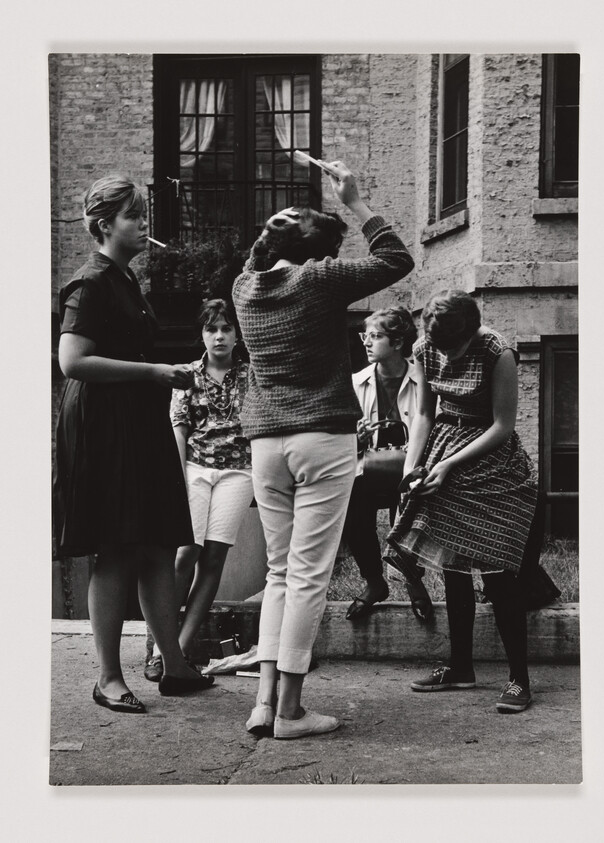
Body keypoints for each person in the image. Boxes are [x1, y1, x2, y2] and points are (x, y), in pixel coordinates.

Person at [232, 161, 415, 740]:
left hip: (266, 443)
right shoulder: (319, 281)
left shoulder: (244, 288)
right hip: (322, 439)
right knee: (309, 576)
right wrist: (355, 201)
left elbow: (257, 258)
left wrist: (272, 231)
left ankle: (262, 704)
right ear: (319, 255)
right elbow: (397, 260)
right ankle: (290, 712)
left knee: (279, 572)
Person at [53, 175, 213, 713]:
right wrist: (153, 372)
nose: (144, 224)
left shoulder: (123, 279)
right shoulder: (90, 282)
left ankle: (174, 665)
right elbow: (72, 361)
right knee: (117, 546)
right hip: (104, 426)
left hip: (138, 421)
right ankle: (107, 678)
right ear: (104, 226)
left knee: (159, 542)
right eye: (134, 216)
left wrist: (164, 373)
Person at [385, 289, 538, 713]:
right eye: (440, 346)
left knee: (497, 572)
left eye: (454, 347)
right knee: (453, 569)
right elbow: (424, 414)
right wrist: (411, 468)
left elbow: (503, 425)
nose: (447, 355)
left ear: (471, 331)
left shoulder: (496, 351)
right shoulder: (425, 348)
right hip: (443, 449)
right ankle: (460, 667)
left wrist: (450, 464)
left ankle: (519, 679)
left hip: (492, 463)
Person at [144, 298, 253, 681]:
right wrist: (177, 482)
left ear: (237, 334)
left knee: (213, 559)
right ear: (202, 335)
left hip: (238, 472)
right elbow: (179, 430)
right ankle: (159, 648)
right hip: (193, 469)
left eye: (226, 328)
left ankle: (179, 651)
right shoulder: (187, 375)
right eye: (211, 329)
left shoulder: (251, 375)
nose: (219, 335)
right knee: (185, 553)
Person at [344, 306, 433, 622]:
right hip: (368, 466)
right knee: (352, 504)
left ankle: (413, 581)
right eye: (365, 336)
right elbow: (341, 440)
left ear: (397, 342)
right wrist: (356, 437)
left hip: (412, 466)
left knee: (409, 505)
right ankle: (374, 582)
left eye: (375, 336)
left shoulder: (422, 379)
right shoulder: (356, 382)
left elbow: (431, 425)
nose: (367, 343)